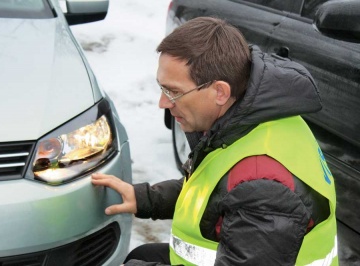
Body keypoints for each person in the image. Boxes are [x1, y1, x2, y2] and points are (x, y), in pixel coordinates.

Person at [91, 17, 338, 266]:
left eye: (173, 91)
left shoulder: (265, 187)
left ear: (220, 92)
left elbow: (242, 191)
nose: (163, 103)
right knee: (141, 256)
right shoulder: (246, 119)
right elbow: (215, 190)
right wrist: (146, 199)